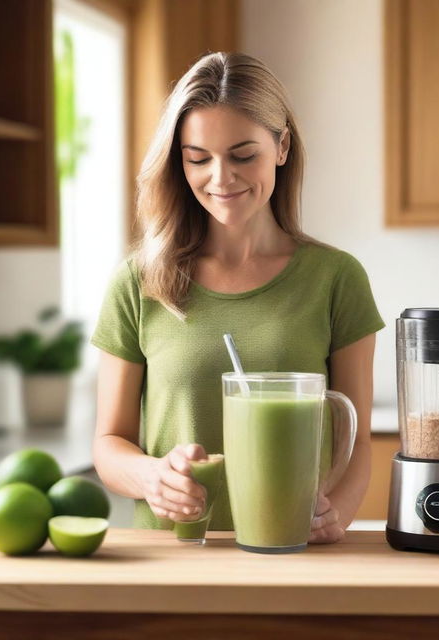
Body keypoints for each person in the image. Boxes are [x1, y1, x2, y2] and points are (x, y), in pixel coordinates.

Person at [91, 51, 385, 544]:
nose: (220, 178)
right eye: (198, 158)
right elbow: (108, 444)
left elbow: (354, 442)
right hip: (173, 559)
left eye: (243, 155)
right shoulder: (137, 282)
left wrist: (337, 513)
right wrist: (153, 477)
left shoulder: (337, 279)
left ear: (282, 146)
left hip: (293, 554)